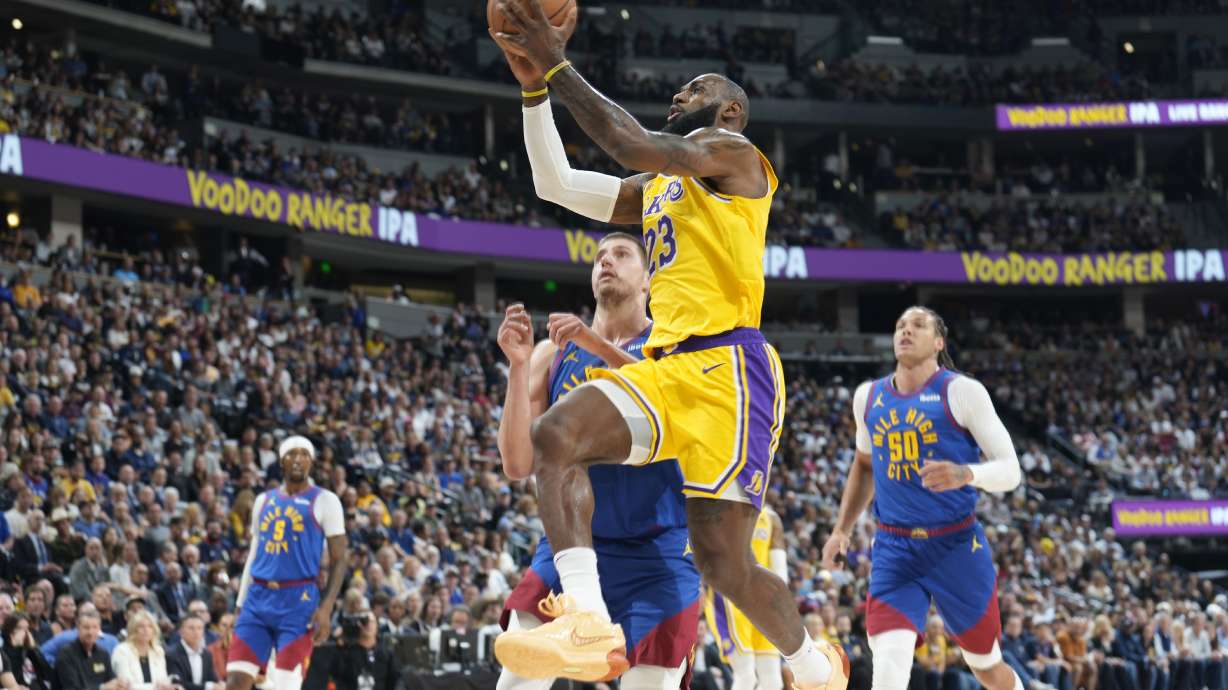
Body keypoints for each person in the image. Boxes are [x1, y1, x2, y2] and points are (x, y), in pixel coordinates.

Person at [486, 3, 847, 688]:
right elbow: (555, 183)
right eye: (681, 90)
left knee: (722, 562)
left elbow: (629, 142)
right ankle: (586, 620)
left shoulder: (734, 158)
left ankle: (810, 662)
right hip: (668, 366)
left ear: (731, 113)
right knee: (557, 435)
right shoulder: (657, 188)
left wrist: (556, 64)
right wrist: (532, 88)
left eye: (699, 88)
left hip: (731, 370)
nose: (682, 94)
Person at [494, 232, 700, 690]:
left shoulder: (673, 349)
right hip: (569, 546)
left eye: (622, 254)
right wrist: (519, 367)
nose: (606, 261)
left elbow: (667, 398)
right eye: (599, 257)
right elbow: (517, 463)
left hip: (655, 551)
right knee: (516, 682)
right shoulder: (556, 353)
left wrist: (595, 344)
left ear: (649, 280)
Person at [821, 306, 1025, 690]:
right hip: (895, 547)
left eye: (918, 325)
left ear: (939, 342)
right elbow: (864, 466)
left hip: (955, 545)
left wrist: (968, 474)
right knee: (888, 668)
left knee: (985, 665)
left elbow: (1011, 470)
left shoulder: (962, 392)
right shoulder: (868, 397)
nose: (905, 331)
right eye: (900, 325)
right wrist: (841, 530)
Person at [226, 436, 347, 690]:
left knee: (285, 684)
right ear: (281, 461)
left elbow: (339, 559)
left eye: (304, 454)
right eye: (292, 454)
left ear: (311, 462)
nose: (298, 459)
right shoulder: (263, 500)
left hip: (298, 600)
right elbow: (254, 553)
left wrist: (326, 608)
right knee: (236, 680)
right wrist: (240, 603)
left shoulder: (326, 500)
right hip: (257, 598)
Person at [704, 506, 787, 690]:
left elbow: (781, 571)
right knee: (746, 676)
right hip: (730, 598)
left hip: (764, 603)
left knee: (773, 681)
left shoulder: (771, 517)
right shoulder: (719, 505)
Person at [54, 609, 130, 690]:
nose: (90, 632)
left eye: (95, 627)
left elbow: (111, 681)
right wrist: (102, 688)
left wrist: (120, 685)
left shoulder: (103, 654)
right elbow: (72, 688)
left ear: (99, 630)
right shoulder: (66, 654)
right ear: (78, 629)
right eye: (86, 628)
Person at [111, 609, 177, 690]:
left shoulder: (158, 650)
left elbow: (162, 681)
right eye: (141, 626)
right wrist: (156, 687)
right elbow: (126, 686)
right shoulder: (122, 651)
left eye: (150, 626)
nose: (146, 630)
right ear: (133, 629)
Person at [2, 612, 55, 690]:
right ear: (10, 630)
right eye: (19, 628)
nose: (24, 632)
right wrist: (15, 648)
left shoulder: (29, 648)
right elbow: (12, 679)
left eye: (26, 628)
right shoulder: (3, 651)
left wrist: (34, 649)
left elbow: (47, 674)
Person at [166, 615, 220, 690]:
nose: (196, 632)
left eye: (199, 628)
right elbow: (177, 684)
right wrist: (208, 687)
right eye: (191, 628)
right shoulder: (171, 654)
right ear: (181, 632)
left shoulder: (207, 654)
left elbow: (213, 679)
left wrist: (220, 684)